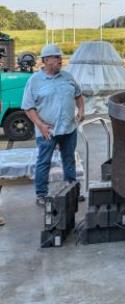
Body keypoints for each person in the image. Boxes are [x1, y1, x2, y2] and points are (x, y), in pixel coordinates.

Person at [22, 43, 85, 205]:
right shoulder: (34, 81)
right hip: (47, 131)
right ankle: (41, 195)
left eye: (60, 57)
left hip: (69, 128)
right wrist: (40, 125)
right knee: (44, 161)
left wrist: (81, 110)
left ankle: (72, 190)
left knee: (69, 159)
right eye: (56, 57)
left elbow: (78, 95)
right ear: (45, 60)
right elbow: (28, 107)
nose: (60, 60)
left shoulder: (68, 77)